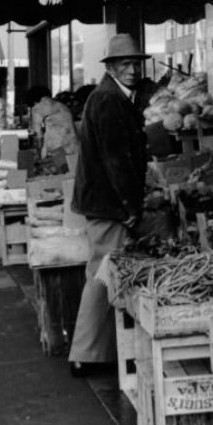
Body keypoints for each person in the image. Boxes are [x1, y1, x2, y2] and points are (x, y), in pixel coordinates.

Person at [68, 34, 149, 376]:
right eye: (125, 64)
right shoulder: (108, 100)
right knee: (102, 272)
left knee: (103, 270)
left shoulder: (111, 96)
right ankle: (85, 354)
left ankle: (94, 351)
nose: (132, 70)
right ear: (112, 67)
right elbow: (116, 160)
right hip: (108, 202)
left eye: (135, 64)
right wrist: (130, 205)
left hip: (103, 200)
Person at [25, 84, 79, 158]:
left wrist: (38, 155)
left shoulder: (37, 109)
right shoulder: (62, 106)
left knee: (59, 168)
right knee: (71, 168)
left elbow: (38, 135)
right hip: (74, 148)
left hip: (58, 151)